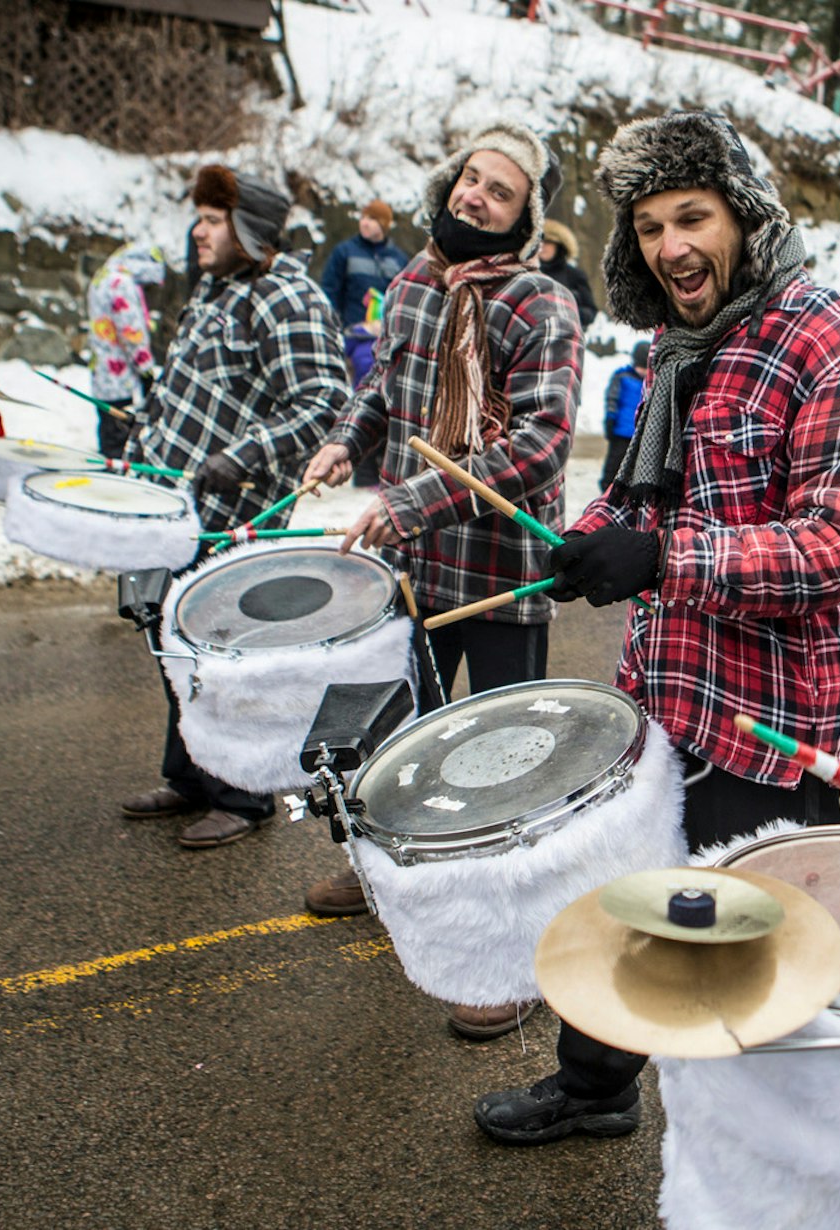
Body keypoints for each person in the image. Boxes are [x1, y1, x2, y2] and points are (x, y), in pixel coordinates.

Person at [472, 110, 840, 1145]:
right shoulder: (681, 348)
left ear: (745, 218)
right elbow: (643, 500)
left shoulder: (834, 338)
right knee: (634, 898)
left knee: (753, 958)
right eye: (651, 227)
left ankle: (787, 1157)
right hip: (667, 692)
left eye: (692, 217)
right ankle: (596, 1086)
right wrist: (586, 541)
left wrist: (667, 560)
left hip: (771, 723)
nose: (671, 246)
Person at [297, 123, 583, 1038]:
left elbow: (540, 446)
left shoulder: (542, 304)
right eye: (471, 179)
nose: (476, 198)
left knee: (504, 770)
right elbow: (385, 390)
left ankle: (516, 956)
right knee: (398, 742)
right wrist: (347, 440)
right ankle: (392, 876)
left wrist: (412, 499)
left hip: (499, 567)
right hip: (411, 562)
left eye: (500, 190)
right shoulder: (413, 282)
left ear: (524, 214)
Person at [119, 165, 350, 849]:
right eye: (199, 218)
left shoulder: (286, 297)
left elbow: (323, 403)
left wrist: (240, 458)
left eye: (213, 220)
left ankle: (244, 796)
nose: (198, 230)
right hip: (173, 506)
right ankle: (192, 776)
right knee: (172, 640)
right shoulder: (215, 292)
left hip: (234, 511)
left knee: (217, 656)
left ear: (247, 229)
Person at [84, 241, 168, 460]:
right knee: (119, 434)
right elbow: (131, 332)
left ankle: (107, 466)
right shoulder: (121, 283)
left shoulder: (104, 276)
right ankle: (113, 480)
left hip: (102, 369)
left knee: (108, 427)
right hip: (119, 374)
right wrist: (146, 370)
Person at [320, 199, 409, 329]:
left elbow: (403, 299)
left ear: (384, 224)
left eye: (372, 219)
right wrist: (334, 326)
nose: (365, 223)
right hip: (351, 333)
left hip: (383, 335)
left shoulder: (398, 259)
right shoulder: (344, 252)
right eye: (363, 218)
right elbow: (329, 292)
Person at [600, 339, 647, 489]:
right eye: (640, 367)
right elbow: (612, 398)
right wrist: (610, 418)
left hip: (639, 435)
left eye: (645, 368)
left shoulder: (650, 382)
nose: (642, 371)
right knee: (614, 465)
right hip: (620, 432)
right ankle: (606, 488)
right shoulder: (622, 376)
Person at [538, 218, 598, 328]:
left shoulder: (575, 275)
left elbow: (591, 312)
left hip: (569, 336)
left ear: (560, 245)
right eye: (540, 242)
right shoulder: (529, 273)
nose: (543, 247)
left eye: (549, 242)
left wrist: (568, 311)